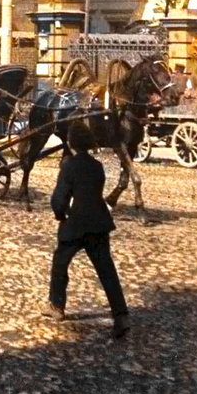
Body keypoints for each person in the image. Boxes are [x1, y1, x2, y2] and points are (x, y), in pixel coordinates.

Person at [46, 120, 130, 338]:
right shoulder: (97, 166)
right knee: (106, 271)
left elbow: (59, 198)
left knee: (60, 263)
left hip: (75, 223)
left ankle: (57, 306)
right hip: (99, 222)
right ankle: (121, 314)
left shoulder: (68, 166)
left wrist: (60, 214)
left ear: (71, 143)